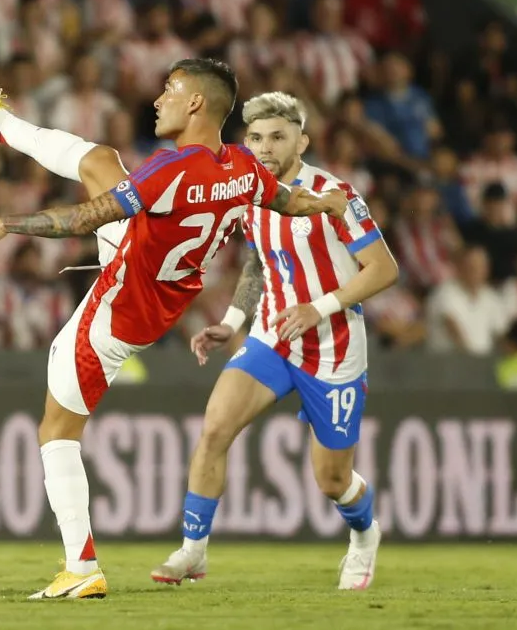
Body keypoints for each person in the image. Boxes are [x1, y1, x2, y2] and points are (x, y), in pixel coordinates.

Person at [0, 59, 349, 600]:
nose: (157, 99)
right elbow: (288, 201)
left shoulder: (168, 172)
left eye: (170, 89)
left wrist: (6, 223)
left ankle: (82, 567)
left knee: (55, 432)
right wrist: (327, 203)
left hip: (118, 309)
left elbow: (81, 220)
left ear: (196, 104)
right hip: (161, 285)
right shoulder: (240, 165)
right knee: (99, 160)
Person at [150, 92, 399, 591]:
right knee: (215, 427)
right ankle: (193, 553)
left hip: (332, 346)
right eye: (257, 137)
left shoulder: (335, 194)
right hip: (271, 336)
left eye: (277, 137)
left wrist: (318, 308)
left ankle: (365, 536)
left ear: (301, 141)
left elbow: (384, 269)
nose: (265, 147)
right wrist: (233, 319)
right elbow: (260, 261)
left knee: (332, 480)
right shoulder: (249, 193)